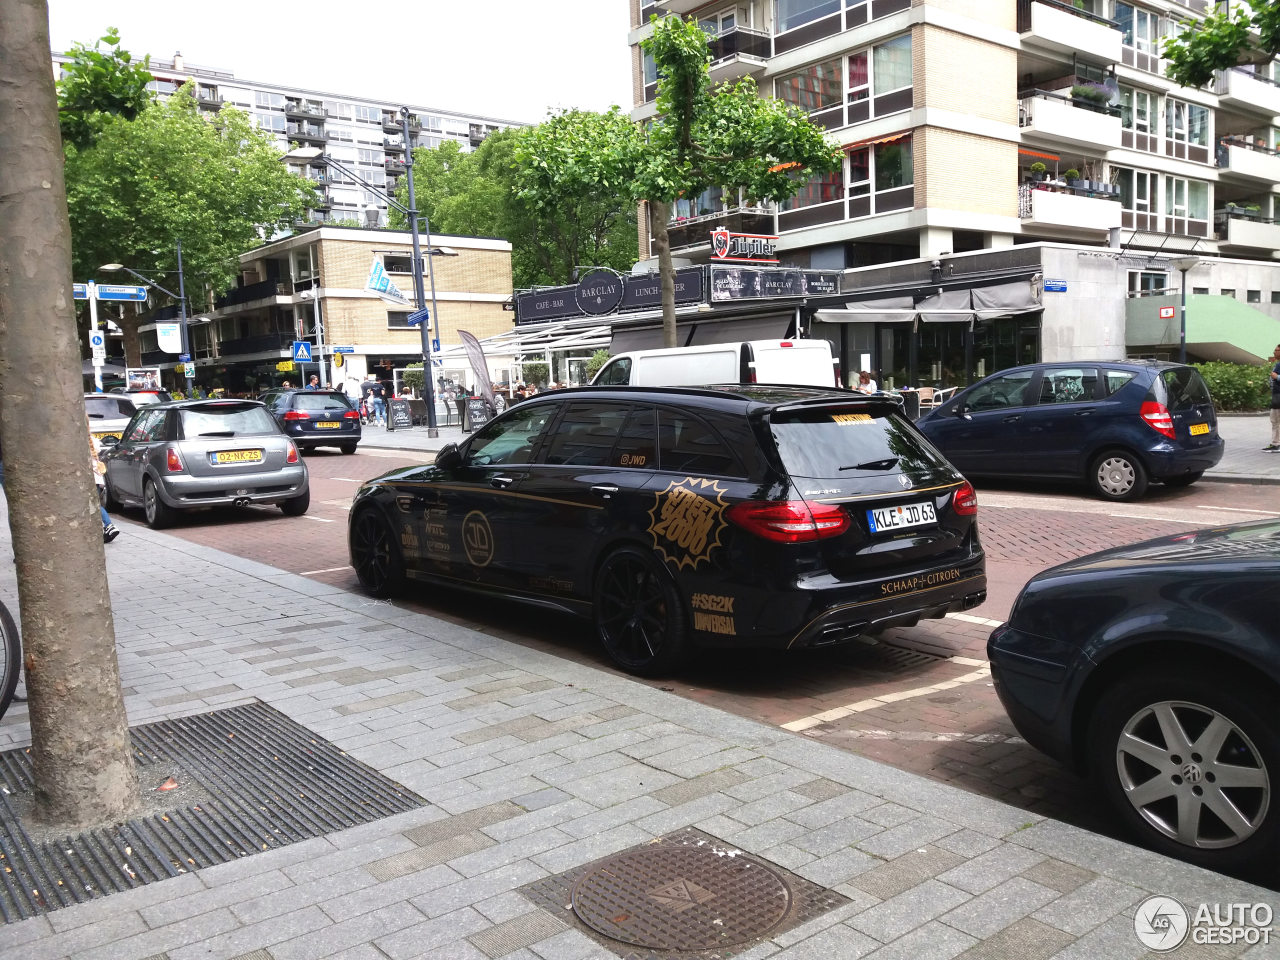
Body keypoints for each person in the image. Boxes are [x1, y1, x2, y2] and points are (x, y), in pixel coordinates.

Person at [87, 418, 119, 543]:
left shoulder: (81, 442)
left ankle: (109, 525)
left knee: (95, 505)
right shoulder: (94, 441)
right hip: (99, 479)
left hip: (92, 479)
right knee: (94, 504)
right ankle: (104, 527)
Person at [1266, 345, 1280, 452]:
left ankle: (1276, 444)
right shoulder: (1277, 364)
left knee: (1275, 420)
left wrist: (1276, 377)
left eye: (1277, 350)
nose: (1274, 352)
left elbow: (1275, 377)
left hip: (1278, 397)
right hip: (1276, 396)